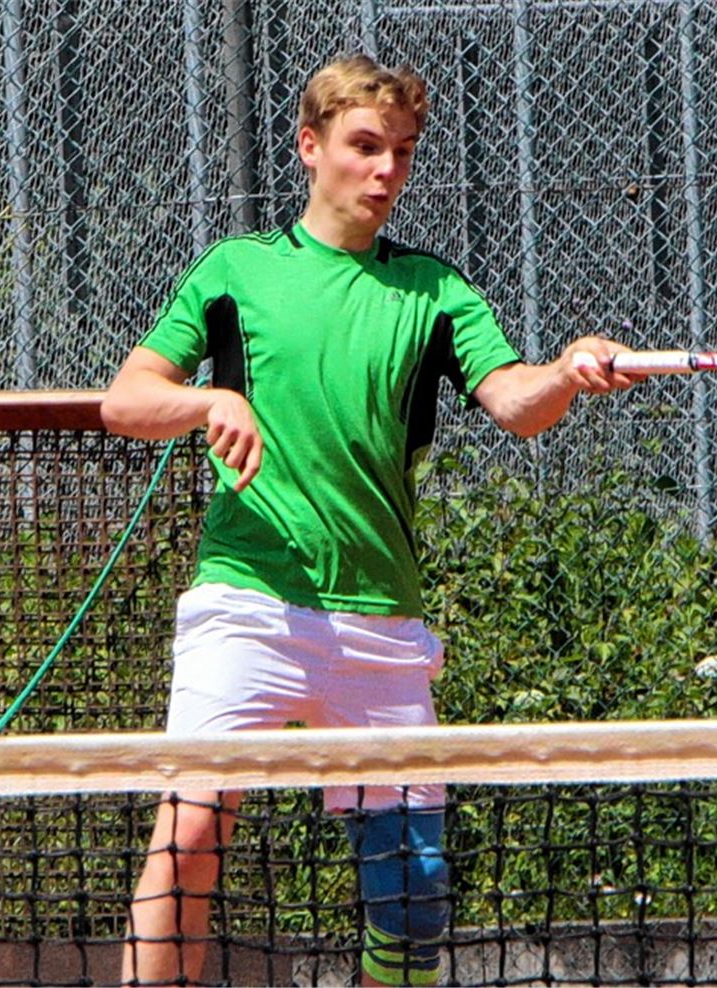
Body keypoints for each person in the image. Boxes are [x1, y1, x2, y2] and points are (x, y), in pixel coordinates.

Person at [102, 53, 642, 987]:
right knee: (189, 838)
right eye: (364, 146)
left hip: (381, 623)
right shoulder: (237, 272)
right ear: (311, 149)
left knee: (415, 890)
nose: (385, 169)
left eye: (401, 150)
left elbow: (514, 400)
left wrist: (564, 372)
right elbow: (128, 397)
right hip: (248, 608)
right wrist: (206, 404)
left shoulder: (435, 292)